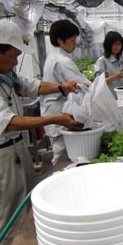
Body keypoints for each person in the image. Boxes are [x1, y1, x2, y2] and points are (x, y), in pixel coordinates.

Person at [0, 19, 83, 245]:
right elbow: (7, 121)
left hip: (16, 148)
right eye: (12, 57)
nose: (15, 63)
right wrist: (54, 118)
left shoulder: (2, 72)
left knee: (27, 208)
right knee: (8, 216)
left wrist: (63, 86)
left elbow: (31, 85)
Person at [40, 19, 91, 162]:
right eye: (72, 40)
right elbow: (83, 85)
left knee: (61, 148)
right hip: (58, 110)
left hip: (53, 108)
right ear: (60, 40)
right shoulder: (63, 61)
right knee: (67, 153)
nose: (75, 43)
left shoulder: (53, 56)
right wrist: (98, 86)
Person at [94, 30, 123, 98]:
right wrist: (116, 76)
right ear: (108, 44)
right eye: (115, 44)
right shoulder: (102, 61)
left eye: (119, 44)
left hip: (122, 97)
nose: (118, 47)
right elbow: (100, 82)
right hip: (109, 99)